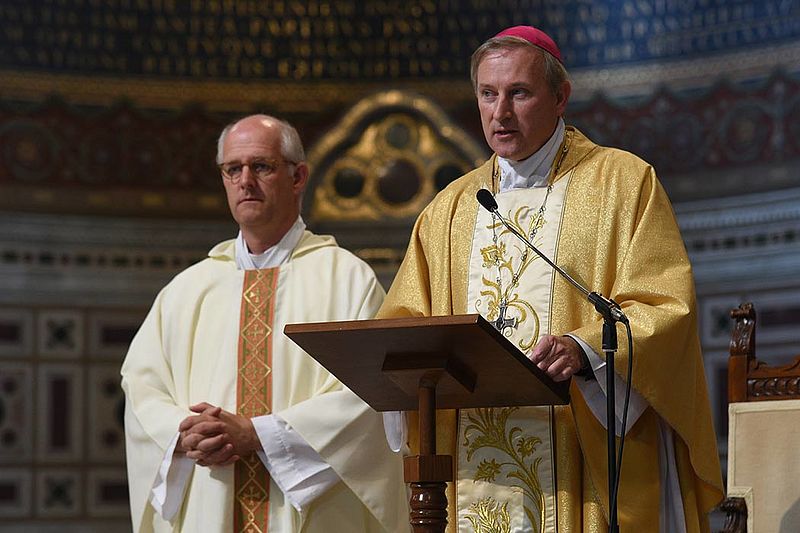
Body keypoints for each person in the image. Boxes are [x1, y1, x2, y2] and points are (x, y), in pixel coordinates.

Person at [378, 26, 724, 532]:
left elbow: (665, 306)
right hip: (471, 473)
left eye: (519, 93)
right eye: (488, 94)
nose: (500, 113)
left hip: (579, 467)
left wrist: (585, 349)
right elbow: (405, 323)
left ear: (561, 97)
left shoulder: (621, 182)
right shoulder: (450, 208)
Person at [121, 114, 409, 532]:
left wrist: (260, 435)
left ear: (298, 177)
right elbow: (142, 387)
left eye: (261, 166)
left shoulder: (347, 279)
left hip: (313, 511)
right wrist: (184, 435)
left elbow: (373, 397)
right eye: (232, 169)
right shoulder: (187, 290)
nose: (245, 181)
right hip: (210, 498)